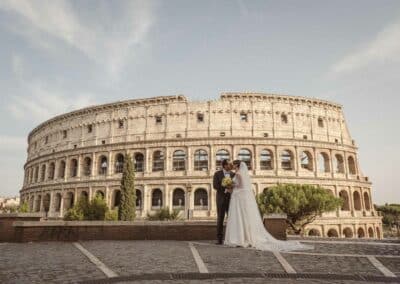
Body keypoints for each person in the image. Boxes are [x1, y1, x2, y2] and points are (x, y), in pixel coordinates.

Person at [224, 160, 312, 251]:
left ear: (237, 165)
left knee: (239, 217)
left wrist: (231, 186)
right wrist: (231, 186)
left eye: (234, 164)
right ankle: (244, 237)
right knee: (242, 217)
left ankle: (240, 239)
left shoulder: (238, 174)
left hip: (238, 196)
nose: (232, 166)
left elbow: (241, 186)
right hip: (238, 196)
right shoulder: (239, 173)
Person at [213, 159, 235, 245]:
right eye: (229, 165)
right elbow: (215, 186)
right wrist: (226, 188)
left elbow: (236, 185)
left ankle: (231, 238)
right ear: (225, 165)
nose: (231, 166)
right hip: (221, 199)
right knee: (220, 219)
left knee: (232, 219)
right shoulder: (217, 174)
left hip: (232, 200)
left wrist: (232, 188)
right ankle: (219, 239)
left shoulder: (233, 174)